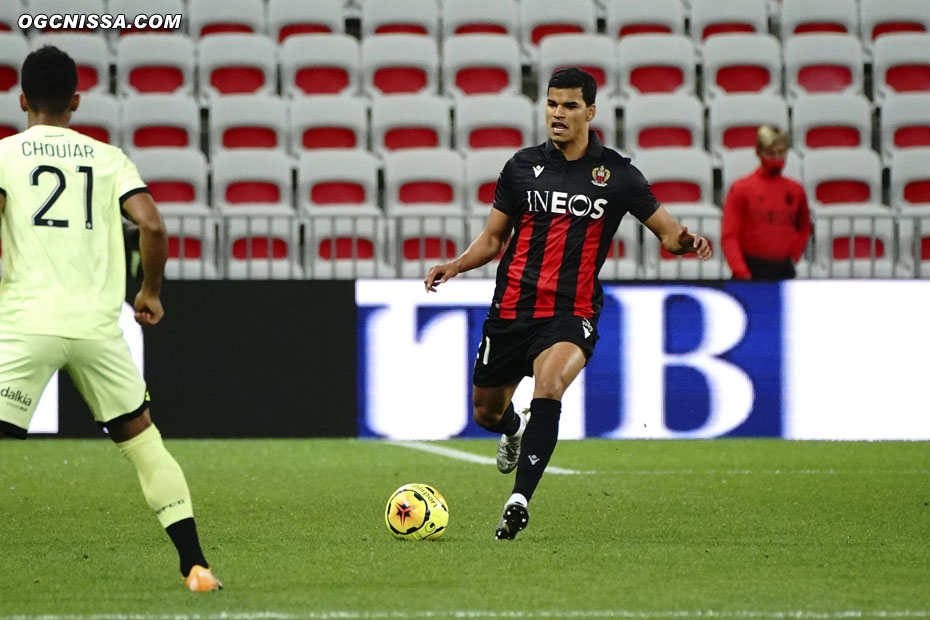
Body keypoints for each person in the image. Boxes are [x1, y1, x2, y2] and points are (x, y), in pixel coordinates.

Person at [424, 67, 712, 540]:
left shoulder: (616, 174)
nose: (558, 113)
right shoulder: (520, 166)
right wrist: (455, 265)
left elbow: (666, 232)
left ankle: (519, 500)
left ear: (590, 112)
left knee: (550, 383)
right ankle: (512, 430)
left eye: (570, 105)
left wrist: (686, 241)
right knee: (486, 412)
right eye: (552, 104)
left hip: (570, 311)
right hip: (511, 309)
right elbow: (495, 238)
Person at [0, 46, 221, 591]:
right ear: (76, 102)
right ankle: (195, 564)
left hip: (27, 323)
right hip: (98, 330)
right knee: (144, 442)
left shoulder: (4, 154)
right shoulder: (108, 157)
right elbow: (152, 225)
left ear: (21, 99)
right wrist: (149, 292)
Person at [721, 125, 812, 280]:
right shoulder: (741, 189)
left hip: (784, 269)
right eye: (771, 154)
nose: (777, 159)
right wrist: (742, 273)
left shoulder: (796, 190)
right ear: (759, 152)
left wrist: (794, 256)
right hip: (751, 269)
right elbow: (729, 236)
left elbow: (804, 226)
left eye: (781, 153)